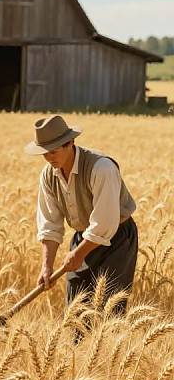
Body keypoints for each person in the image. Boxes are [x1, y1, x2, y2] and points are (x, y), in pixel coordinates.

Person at [25, 115, 138, 314]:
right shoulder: (48, 175)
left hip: (117, 239)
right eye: (44, 153)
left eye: (53, 151)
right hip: (81, 237)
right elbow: (50, 225)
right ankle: (78, 347)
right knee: (76, 311)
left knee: (109, 311)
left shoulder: (101, 168)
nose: (49, 158)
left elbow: (104, 223)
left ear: (70, 143)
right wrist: (47, 266)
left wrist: (78, 254)